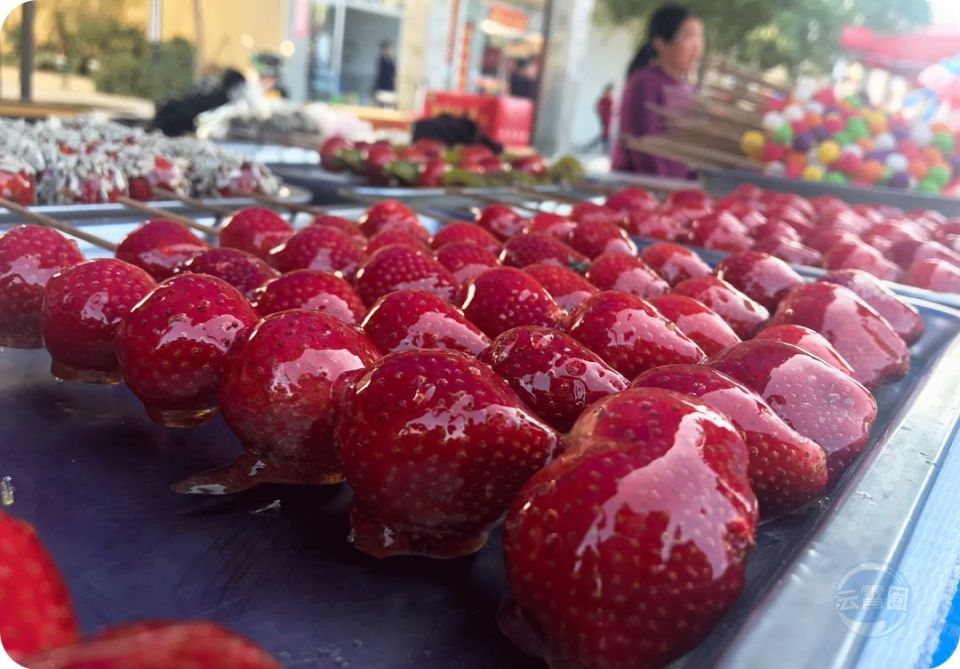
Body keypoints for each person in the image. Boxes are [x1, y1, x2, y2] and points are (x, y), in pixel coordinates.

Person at [611, 5, 703, 177]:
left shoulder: (692, 90)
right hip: (641, 192)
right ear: (660, 43)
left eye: (699, 37)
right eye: (689, 36)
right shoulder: (644, 83)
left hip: (677, 194)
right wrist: (667, 195)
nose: (697, 46)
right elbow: (645, 150)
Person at [583, 83, 615, 153]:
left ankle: (604, 151)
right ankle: (589, 148)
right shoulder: (604, 97)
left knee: (605, 136)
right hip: (605, 119)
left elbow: (611, 108)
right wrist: (601, 115)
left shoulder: (609, 97)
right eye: (611, 89)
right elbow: (596, 107)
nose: (611, 91)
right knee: (605, 136)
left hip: (609, 118)